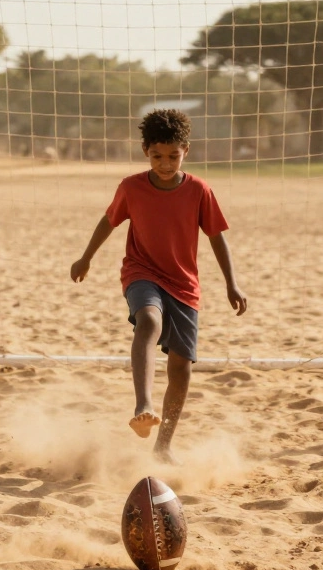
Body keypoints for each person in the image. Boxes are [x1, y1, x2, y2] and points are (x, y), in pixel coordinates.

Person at [70, 109, 247, 463]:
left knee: (181, 366)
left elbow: (216, 237)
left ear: (186, 151)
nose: (164, 164)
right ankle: (143, 405)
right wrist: (86, 256)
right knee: (149, 321)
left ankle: (164, 445)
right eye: (156, 156)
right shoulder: (131, 187)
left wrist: (232, 283)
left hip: (184, 284)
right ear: (144, 151)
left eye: (172, 156)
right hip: (141, 271)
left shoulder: (199, 190)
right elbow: (109, 221)